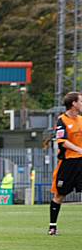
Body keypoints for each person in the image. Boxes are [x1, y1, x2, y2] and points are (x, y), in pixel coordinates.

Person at [49, 91, 82, 235]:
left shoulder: (81, 119)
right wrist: (79, 149)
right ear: (73, 104)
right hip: (68, 163)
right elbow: (62, 141)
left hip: (81, 162)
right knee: (59, 195)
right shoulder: (62, 120)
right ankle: (52, 227)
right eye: (80, 101)